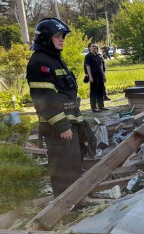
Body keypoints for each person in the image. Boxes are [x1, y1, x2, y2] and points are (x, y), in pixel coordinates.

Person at [26, 18, 86, 197]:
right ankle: (64, 204)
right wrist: (62, 126)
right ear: (45, 38)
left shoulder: (53, 60)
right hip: (58, 127)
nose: (62, 40)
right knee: (62, 166)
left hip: (69, 122)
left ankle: (74, 200)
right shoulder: (40, 63)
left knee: (73, 162)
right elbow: (45, 98)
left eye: (62, 36)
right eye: (57, 36)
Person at [84, 43, 108, 112]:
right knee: (94, 91)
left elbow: (101, 66)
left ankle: (101, 106)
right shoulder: (88, 56)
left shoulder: (99, 56)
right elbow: (88, 67)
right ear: (89, 48)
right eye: (93, 46)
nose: (94, 47)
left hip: (100, 75)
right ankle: (94, 107)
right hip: (93, 75)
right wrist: (90, 77)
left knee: (101, 90)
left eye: (95, 46)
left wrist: (104, 75)